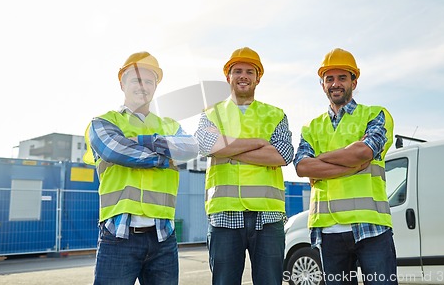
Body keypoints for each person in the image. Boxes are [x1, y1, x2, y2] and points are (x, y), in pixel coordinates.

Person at [83, 51, 199, 285]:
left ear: (155, 87)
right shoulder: (103, 122)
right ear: (123, 83)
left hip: (163, 236)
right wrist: (165, 157)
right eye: (136, 79)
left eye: (149, 81)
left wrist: (144, 141)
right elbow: (116, 150)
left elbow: (191, 148)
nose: (143, 86)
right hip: (118, 235)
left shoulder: (170, 124)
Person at [294, 48, 397, 285]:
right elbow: (301, 167)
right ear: (322, 85)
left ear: (354, 81)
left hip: (371, 227)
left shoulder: (375, 115)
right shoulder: (311, 127)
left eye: (342, 77)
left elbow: (364, 151)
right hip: (328, 231)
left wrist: (319, 160)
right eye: (329, 78)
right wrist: (350, 165)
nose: (335, 84)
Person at [194, 47, 294, 285]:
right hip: (224, 216)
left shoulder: (275, 114)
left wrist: (228, 151)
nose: (243, 76)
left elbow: (283, 154)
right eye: (237, 71)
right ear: (228, 76)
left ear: (258, 78)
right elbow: (205, 144)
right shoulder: (211, 113)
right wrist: (259, 144)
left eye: (250, 71)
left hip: (267, 216)